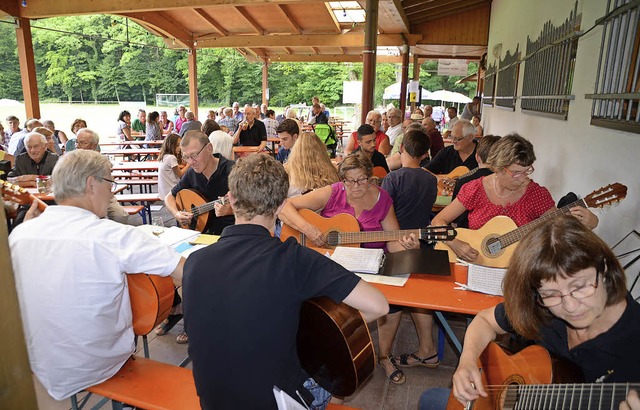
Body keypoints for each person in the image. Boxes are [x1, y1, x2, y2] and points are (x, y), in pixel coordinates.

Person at [183, 153, 389, 409]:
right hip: (274, 401)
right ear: (281, 206)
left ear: (232, 199)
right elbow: (379, 306)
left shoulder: (193, 262)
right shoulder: (295, 260)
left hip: (213, 399)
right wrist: (302, 325)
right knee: (340, 380)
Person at [9, 149, 184, 401]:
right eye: (110, 182)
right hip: (97, 365)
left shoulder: (20, 234)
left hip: (40, 365)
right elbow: (188, 270)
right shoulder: (113, 235)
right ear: (92, 184)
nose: (112, 191)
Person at [419, 215, 640, 410]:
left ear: (605, 270)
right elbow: (485, 320)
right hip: (499, 397)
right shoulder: (540, 306)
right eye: (551, 293)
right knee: (429, 399)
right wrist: (467, 361)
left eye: (580, 287)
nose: (570, 307)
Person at [432, 134, 598, 263]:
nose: (523, 178)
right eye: (517, 172)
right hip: (475, 264)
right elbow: (438, 221)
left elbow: (558, 233)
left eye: (527, 171)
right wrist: (454, 242)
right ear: (499, 168)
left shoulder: (536, 194)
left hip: (518, 269)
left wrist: (588, 226)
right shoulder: (476, 188)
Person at [377, 128, 439, 384]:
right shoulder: (431, 179)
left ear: (401, 149)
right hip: (423, 244)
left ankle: (384, 354)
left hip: (398, 245)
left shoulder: (393, 178)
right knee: (420, 299)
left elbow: (383, 210)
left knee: (393, 303)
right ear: (425, 155)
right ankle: (429, 349)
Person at [279, 153, 418, 252]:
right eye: (349, 181)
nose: (356, 186)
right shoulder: (332, 193)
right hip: (326, 262)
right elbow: (283, 206)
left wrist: (407, 246)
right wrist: (308, 230)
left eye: (362, 180)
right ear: (342, 180)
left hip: (369, 266)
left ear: (370, 177)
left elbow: (392, 242)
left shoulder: (383, 199)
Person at [164, 130, 235, 235]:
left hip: (229, 235)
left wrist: (231, 210)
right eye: (186, 157)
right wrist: (177, 214)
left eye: (194, 155)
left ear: (209, 149)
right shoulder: (191, 173)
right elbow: (169, 197)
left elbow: (258, 207)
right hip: (200, 234)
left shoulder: (234, 171)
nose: (191, 162)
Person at [75, 128, 130, 224]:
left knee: (120, 216)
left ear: (93, 146)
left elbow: (107, 185)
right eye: (77, 142)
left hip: (102, 195)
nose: (78, 146)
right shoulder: (70, 160)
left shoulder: (101, 161)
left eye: (82, 143)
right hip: (79, 198)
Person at [450, 135, 501, 228]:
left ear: (477, 157)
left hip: (466, 236)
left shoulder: (463, 182)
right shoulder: (506, 182)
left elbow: (454, 221)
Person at [284, 131, 339, 197]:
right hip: (324, 205)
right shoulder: (332, 171)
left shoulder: (287, 171)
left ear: (295, 150)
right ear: (322, 149)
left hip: (295, 205)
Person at [158, 133, 189, 199]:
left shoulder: (164, 156)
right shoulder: (171, 158)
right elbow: (180, 174)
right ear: (171, 145)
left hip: (163, 191)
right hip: (172, 190)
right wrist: (189, 164)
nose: (180, 148)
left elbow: (182, 162)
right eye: (178, 145)